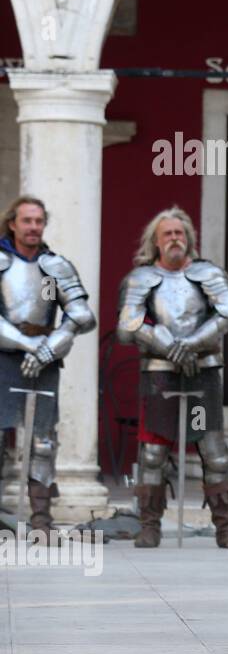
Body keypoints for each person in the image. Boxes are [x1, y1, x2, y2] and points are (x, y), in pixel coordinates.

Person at [117, 207, 228, 550]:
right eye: (168, 234)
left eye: (179, 233)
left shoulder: (209, 274)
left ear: (188, 238)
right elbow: (127, 326)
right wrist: (164, 342)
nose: (175, 238)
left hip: (202, 370)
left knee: (215, 453)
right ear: (156, 242)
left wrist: (190, 344)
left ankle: (225, 528)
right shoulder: (141, 278)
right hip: (160, 374)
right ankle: (149, 526)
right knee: (152, 454)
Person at [0, 196, 96, 540]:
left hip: (46, 361)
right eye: (27, 221)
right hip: (4, 357)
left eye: (39, 221)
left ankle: (41, 518)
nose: (33, 227)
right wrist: (30, 346)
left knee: (43, 442)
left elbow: (81, 315)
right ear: (13, 223)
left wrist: (52, 345)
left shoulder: (52, 268)